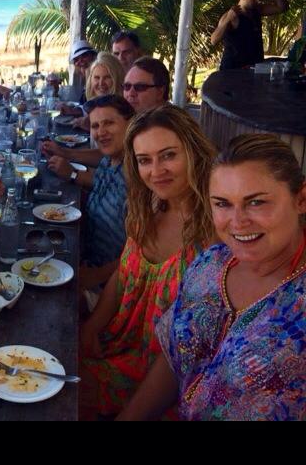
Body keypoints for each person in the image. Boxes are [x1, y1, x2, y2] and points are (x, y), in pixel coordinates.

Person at [118, 135, 306, 422]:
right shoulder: (210, 264)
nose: (237, 222)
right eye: (222, 204)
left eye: (256, 202)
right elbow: (173, 361)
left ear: (301, 199)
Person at [79, 105, 216, 419]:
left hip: (162, 379)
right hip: (116, 342)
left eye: (168, 155)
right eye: (144, 160)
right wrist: (91, 327)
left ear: (193, 151)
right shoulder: (151, 203)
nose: (156, 171)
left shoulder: (215, 227)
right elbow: (122, 276)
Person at [80, 96, 135, 289]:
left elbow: (142, 252)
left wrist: (95, 276)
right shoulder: (108, 161)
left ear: (130, 123)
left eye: (109, 123)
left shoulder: (136, 175)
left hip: (113, 285)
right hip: (89, 263)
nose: (101, 132)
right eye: (95, 126)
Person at [211, 0, 288, 71]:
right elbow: (213, 40)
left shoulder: (257, 10)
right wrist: (228, 19)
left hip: (254, 67)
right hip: (233, 70)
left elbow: (282, 8)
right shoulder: (231, 16)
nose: (257, 0)